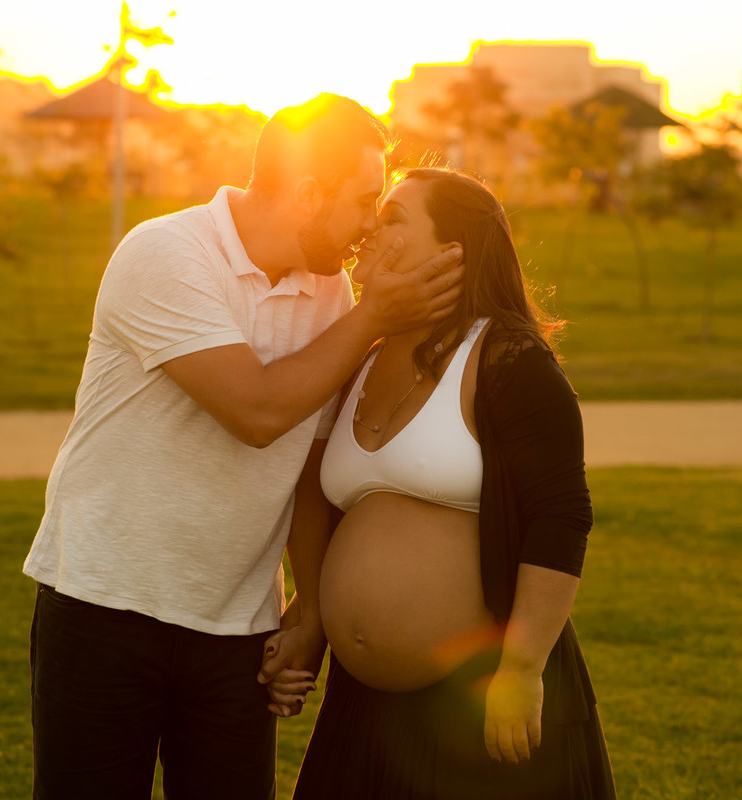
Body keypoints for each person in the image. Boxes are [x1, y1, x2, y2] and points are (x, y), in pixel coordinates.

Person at [21, 95, 464, 800]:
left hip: (236, 633)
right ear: (310, 193)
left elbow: (308, 468)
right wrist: (377, 316)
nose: (369, 225)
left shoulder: (330, 297)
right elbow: (255, 411)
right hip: (106, 610)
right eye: (363, 200)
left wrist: (310, 611)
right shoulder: (165, 253)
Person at [263, 167, 616, 799]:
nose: (371, 226)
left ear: (453, 251)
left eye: (395, 216)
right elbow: (328, 503)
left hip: (478, 704)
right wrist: (310, 618)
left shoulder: (510, 360)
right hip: (363, 709)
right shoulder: (358, 357)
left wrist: (523, 669)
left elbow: (561, 516)